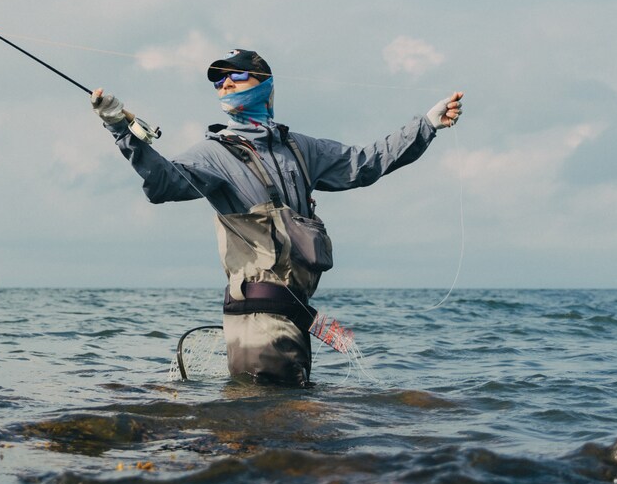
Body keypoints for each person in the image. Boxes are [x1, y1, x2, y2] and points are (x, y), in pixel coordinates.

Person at [92, 49, 463, 386]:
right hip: (255, 321)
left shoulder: (300, 148)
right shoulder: (212, 153)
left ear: (265, 84)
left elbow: (366, 163)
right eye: (218, 80)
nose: (225, 84)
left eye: (236, 75)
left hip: (295, 316)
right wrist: (120, 129)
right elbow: (163, 183)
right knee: (269, 424)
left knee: (287, 425)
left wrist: (427, 125)